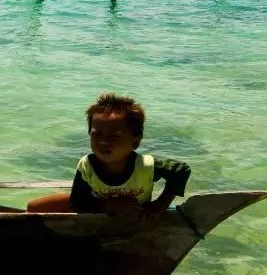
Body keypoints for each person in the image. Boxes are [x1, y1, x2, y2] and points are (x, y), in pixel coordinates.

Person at [26, 93, 190, 219]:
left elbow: (181, 170)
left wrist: (159, 205)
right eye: (97, 135)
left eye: (115, 136)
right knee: (33, 208)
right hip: (98, 203)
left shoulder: (146, 166)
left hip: (126, 211)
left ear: (135, 141)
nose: (104, 142)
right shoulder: (87, 165)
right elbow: (77, 204)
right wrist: (110, 205)